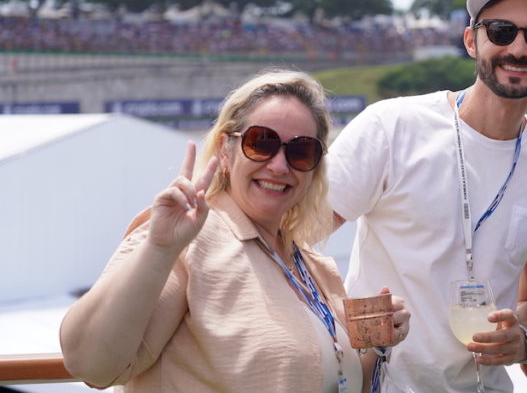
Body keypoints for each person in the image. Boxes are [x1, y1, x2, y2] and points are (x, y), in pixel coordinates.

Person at [60, 69, 410, 391]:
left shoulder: (312, 265)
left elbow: (335, 380)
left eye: (301, 151)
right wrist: (160, 249)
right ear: (225, 151)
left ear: (315, 169)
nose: (279, 165)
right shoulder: (190, 238)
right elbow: (92, 364)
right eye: (261, 143)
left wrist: (377, 344)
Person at [326, 0, 527, 392]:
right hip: (379, 383)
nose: (518, 48)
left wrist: (522, 338)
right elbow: (295, 240)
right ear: (471, 40)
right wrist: (343, 317)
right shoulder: (391, 126)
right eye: (500, 31)